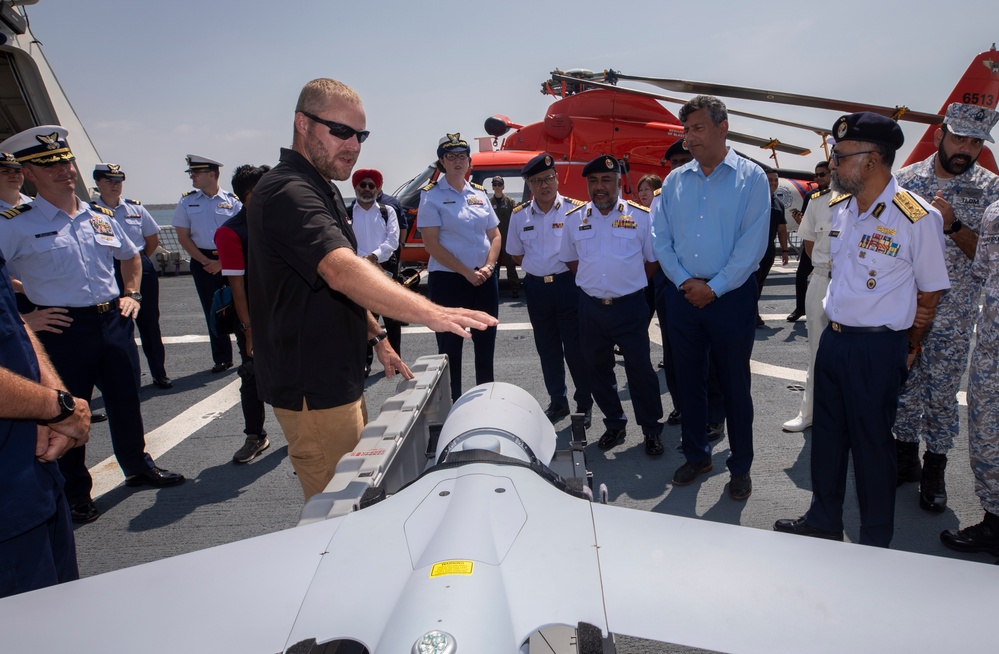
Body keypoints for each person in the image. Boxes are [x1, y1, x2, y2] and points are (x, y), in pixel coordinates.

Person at [247, 79, 497, 500]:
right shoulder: (287, 190)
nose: (353, 146)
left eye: (360, 135)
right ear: (302, 124)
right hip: (314, 385)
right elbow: (341, 270)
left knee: (359, 492)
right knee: (340, 511)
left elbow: (332, 286)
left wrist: (378, 338)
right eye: (340, 131)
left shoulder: (320, 186)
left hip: (340, 378)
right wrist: (432, 312)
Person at [774, 112, 949, 547]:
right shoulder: (839, 208)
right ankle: (824, 517)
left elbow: (931, 293)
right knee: (828, 439)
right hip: (834, 339)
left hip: (877, 347)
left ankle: (874, 539)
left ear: (872, 161)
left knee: (872, 446)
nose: (833, 164)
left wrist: (910, 347)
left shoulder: (916, 217)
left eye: (841, 156)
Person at [0, 126, 184, 524]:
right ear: (29, 173)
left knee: (126, 401)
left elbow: (131, 255)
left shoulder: (98, 216)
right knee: (67, 410)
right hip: (60, 329)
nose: (64, 171)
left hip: (112, 321)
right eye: (50, 165)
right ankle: (75, 491)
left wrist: (131, 294)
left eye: (66, 161)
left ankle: (137, 466)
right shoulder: (15, 223)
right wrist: (23, 317)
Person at [653, 96, 770, 500]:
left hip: (731, 296)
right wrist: (686, 281)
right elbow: (660, 240)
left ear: (723, 127)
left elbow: (752, 246)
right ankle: (698, 454)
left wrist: (714, 287)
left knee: (735, 384)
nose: (690, 137)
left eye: (697, 128)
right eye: (686, 130)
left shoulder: (751, 178)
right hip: (683, 295)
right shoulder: (674, 181)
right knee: (688, 383)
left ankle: (740, 466)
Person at [892, 103, 999, 513]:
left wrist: (953, 225)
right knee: (902, 387)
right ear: (939, 135)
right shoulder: (904, 181)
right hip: (905, 306)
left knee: (941, 393)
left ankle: (934, 467)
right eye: (959, 138)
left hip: (954, 312)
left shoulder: (991, 191)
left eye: (975, 142)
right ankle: (904, 461)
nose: (966, 149)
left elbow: (985, 262)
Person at [0, 247, 91, 598]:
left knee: (63, 615)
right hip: (8, 504)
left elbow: (11, 317)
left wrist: (51, 393)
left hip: (35, 479)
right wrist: (56, 407)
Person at [560, 154, 664, 456]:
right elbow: (569, 258)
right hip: (591, 307)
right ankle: (615, 423)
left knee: (640, 370)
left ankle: (651, 429)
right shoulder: (574, 220)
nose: (599, 187)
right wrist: (593, 283)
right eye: (593, 181)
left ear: (618, 182)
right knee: (597, 369)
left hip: (630, 307)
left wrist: (629, 284)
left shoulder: (640, 217)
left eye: (606, 180)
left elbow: (652, 259)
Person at [506, 153, 592, 427]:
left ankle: (584, 403)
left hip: (568, 286)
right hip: (537, 290)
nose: (544, 185)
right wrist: (538, 269)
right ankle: (558, 401)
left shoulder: (574, 211)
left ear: (557, 179)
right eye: (537, 181)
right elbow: (516, 254)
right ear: (529, 185)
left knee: (575, 348)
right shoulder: (520, 216)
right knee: (547, 349)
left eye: (548, 178)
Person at [419, 133, 502, 401]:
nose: (457, 161)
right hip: (449, 281)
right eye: (450, 156)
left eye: (462, 156)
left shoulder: (479, 194)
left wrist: (489, 268)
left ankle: (485, 399)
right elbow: (431, 244)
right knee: (450, 347)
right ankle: (453, 403)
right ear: (442, 162)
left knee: (486, 344)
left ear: (469, 162)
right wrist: (467, 272)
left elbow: (495, 235)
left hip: (484, 279)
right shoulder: (431, 196)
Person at [941, 196, 999, 557]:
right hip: (992, 352)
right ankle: (995, 521)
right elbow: (982, 270)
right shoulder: (995, 211)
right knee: (986, 432)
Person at [93, 163, 171, 390]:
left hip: (139, 266)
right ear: (98, 183)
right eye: (109, 181)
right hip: (107, 269)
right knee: (115, 326)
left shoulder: (135, 209)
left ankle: (159, 373)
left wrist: (138, 262)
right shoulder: (90, 212)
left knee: (149, 323)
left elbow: (152, 238)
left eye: (118, 181)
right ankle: (125, 379)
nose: (115, 186)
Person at [214, 164, 271, 464]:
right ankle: (255, 435)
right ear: (251, 195)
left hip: (288, 312)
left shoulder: (278, 221)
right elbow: (237, 287)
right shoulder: (230, 233)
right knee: (252, 375)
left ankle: (304, 432)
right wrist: (249, 329)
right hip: (255, 317)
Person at [171, 155, 241, 373]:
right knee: (212, 309)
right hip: (201, 260)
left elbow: (241, 233)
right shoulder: (187, 201)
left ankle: (248, 350)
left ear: (211, 174)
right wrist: (205, 261)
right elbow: (183, 236)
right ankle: (222, 358)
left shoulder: (233, 201)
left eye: (196, 173)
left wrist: (222, 262)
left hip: (228, 259)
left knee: (240, 305)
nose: (192, 177)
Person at [781, 166, 835, 433]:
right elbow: (810, 244)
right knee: (816, 349)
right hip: (823, 278)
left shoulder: (872, 200)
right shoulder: (818, 201)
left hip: (860, 285)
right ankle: (809, 412)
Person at [350, 168, 403, 372]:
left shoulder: (387, 211)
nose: (367, 189)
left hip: (384, 268)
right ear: (355, 187)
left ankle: (395, 358)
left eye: (372, 186)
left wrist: (373, 256)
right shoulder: (347, 213)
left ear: (378, 189)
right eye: (363, 185)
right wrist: (365, 259)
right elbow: (346, 241)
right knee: (364, 318)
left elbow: (393, 240)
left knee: (392, 317)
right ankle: (365, 362)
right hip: (357, 269)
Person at [786, 161, 830, 322]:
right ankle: (800, 308)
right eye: (816, 175)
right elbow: (807, 223)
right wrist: (800, 221)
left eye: (822, 174)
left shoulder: (842, 196)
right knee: (801, 275)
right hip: (812, 243)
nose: (818, 178)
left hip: (830, 246)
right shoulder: (811, 197)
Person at [755, 167, 789, 328]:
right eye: (769, 180)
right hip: (752, 249)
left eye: (775, 180)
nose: (773, 183)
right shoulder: (753, 200)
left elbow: (782, 228)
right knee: (750, 283)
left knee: (760, 283)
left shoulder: (778, 204)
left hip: (768, 250)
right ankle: (750, 314)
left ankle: (753, 312)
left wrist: (784, 250)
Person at [490, 175, 520, 297]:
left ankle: (515, 288)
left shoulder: (510, 202)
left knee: (510, 264)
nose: (497, 187)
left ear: (503, 186)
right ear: (493, 187)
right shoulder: (489, 202)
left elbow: (518, 216)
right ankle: (493, 289)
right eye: (495, 184)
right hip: (493, 238)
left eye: (499, 184)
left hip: (507, 236)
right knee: (493, 264)